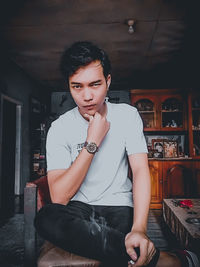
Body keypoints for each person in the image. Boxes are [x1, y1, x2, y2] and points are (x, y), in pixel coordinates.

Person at [34, 41, 200, 267]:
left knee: (119, 245)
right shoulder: (60, 127)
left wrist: (140, 230)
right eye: (77, 86)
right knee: (45, 217)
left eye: (95, 84)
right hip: (78, 208)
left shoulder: (127, 116)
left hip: (119, 205)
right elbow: (60, 197)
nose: (87, 96)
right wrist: (92, 141)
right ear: (69, 86)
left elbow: (141, 171)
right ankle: (165, 260)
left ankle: (141, 251)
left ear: (108, 81)